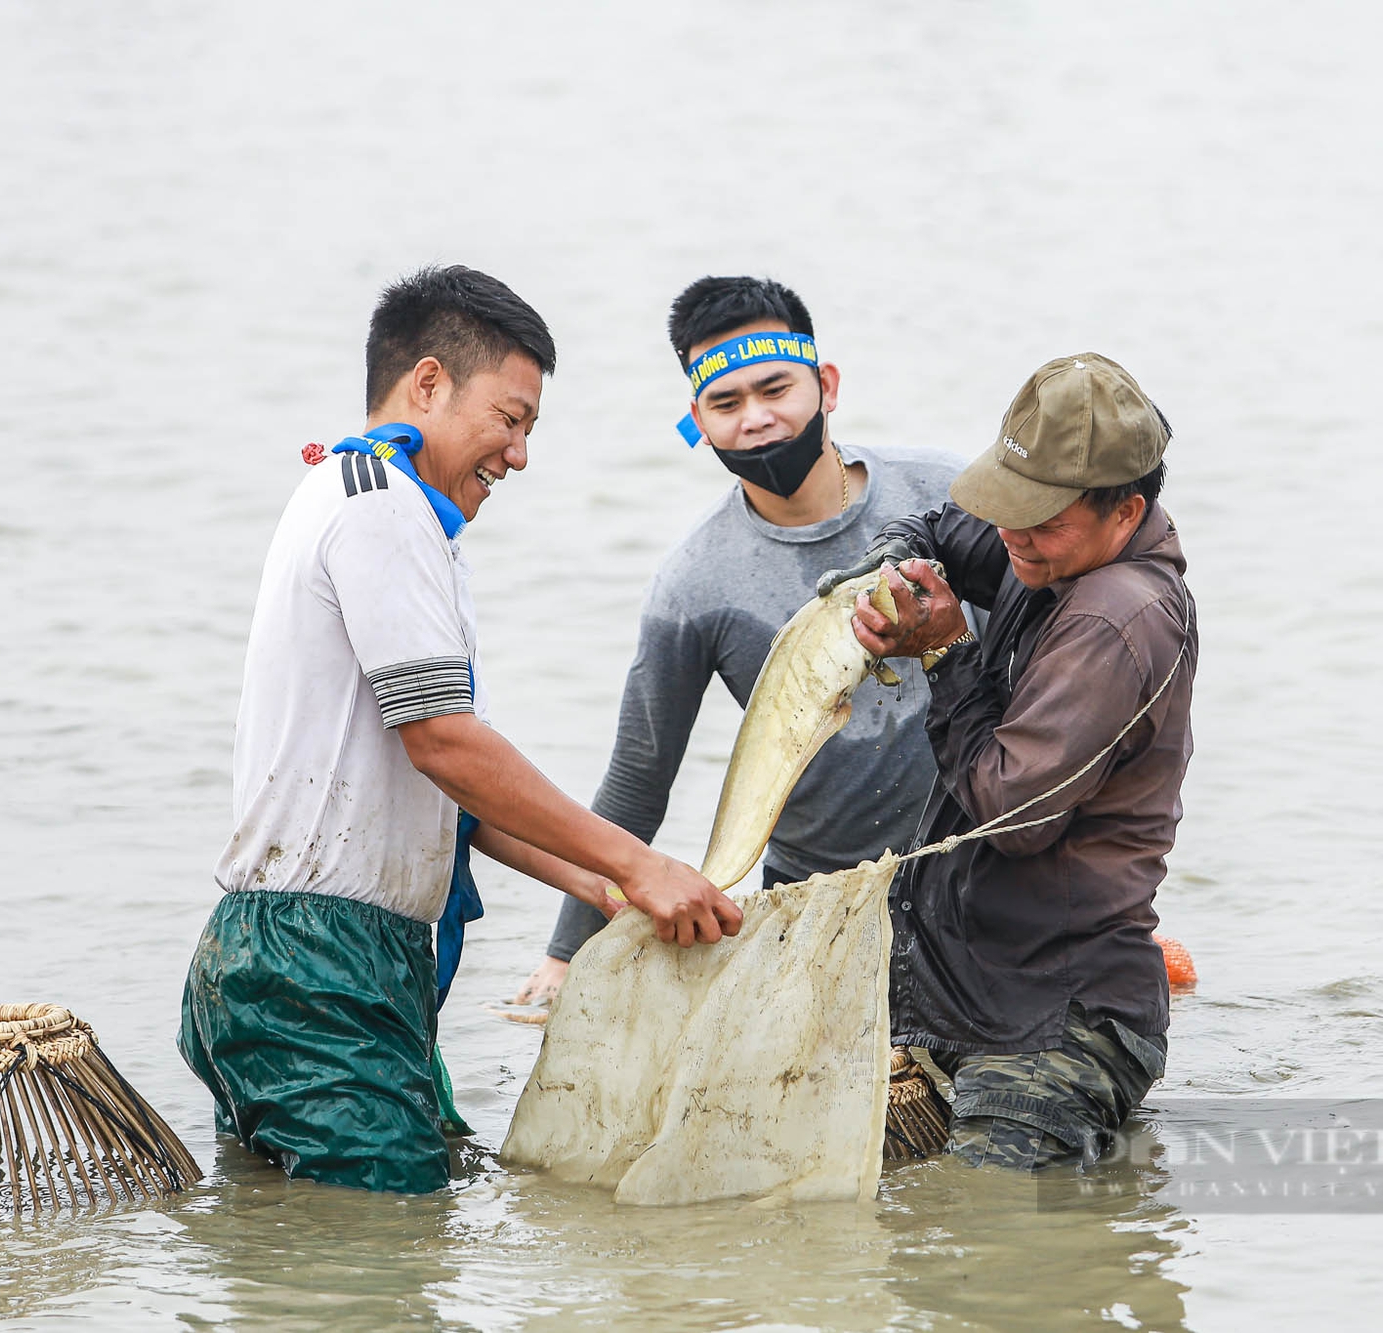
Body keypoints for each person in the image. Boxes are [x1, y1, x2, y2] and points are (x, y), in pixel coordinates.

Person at [178, 265, 741, 1195]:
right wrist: (641, 864)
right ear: (429, 382)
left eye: (528, 430)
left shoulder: (372, 504)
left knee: (331, 1249)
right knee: (383, 1259)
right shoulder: (381, 504)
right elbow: (445, 742)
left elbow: (450, 795)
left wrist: (604, 886)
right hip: (319, 970)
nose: (518, 454)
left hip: (308, 967)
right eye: (510, 419)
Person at [512, 276, 960, 1006]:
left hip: (982, 860)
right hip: (815, 896)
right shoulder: (695, 583)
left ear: (827, 385)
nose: (756, 418)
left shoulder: (944, 493)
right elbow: (638, 777)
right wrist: (567, 954)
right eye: (726, 403)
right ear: (697, 419)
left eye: (775, 388)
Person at [820, 353, 1196, 1170]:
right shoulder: (1048, 554)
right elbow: (932, 530)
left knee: (994, 1234)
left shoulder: (1117, 621)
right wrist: (890, 563)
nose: (1015, 539)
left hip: (1056, 1019)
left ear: (1125, 511)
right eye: (1008, 511)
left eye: (1043, 520)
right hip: (966, 998)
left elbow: (1016, 816)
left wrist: (948, 648)